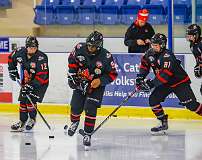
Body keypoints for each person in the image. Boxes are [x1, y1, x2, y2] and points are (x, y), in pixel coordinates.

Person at [135, 33, 202, 134]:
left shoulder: (167, 55)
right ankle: (162, 122)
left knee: (191, 105)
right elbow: (144, 64)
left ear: (162, 45)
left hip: (179, 82)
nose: (153, 47)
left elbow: (165, 74)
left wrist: (151, 84)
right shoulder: (149, 53)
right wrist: (140, 78)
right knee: (153, 100)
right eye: (152, 45)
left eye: (156, 45)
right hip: (165, 84)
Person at [67, 31, 118, 148]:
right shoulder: (79, 48)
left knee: (90, 107)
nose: (90, 48)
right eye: (89, 45)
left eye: (93, 46)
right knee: (75, 106)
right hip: (81, 81)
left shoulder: (106, 56)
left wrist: (100, 81)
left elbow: (112, 74)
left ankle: (88, 133)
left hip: (96, 86)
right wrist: (73, 76)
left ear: (99, 45)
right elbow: (72, 60)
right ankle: (74, 122)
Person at [8, 36, 49, 131]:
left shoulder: (42, 57)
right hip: (26, 81)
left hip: (40, 83)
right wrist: (12, 70)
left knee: (30, 100)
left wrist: (31, 86)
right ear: (26, 47)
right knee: (23, 101)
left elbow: (42, 76)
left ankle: (32, 119)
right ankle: (22, 121)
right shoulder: (19, 52)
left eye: (35, 47)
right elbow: (11, 58)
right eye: (31, 47)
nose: (33, 49)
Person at [186, 24, 202, 95]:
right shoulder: (192, 45)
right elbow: (198, 58)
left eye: (190, 36)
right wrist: (198, 66)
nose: (189, 38)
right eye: (188, 36)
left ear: (196, 35)